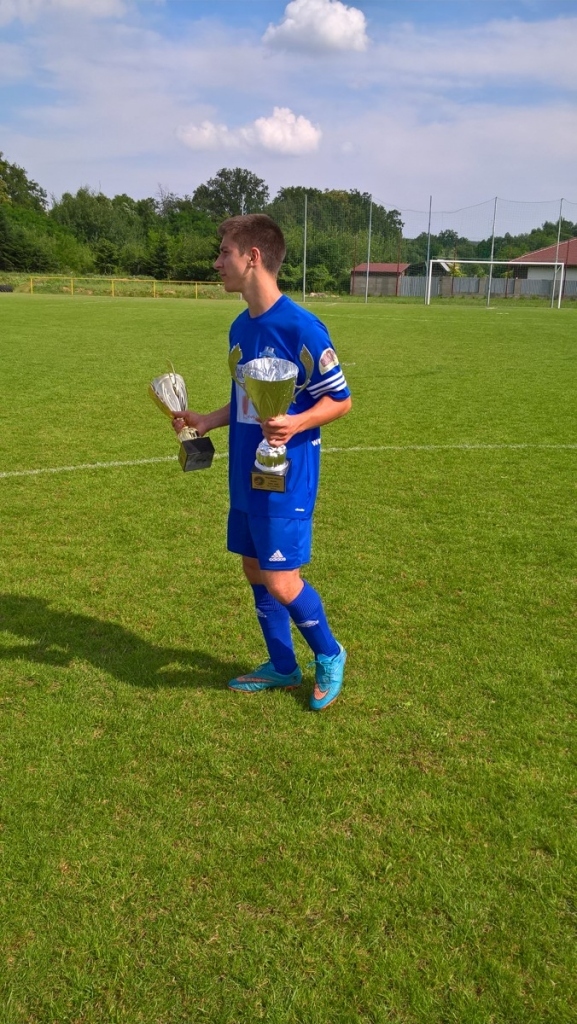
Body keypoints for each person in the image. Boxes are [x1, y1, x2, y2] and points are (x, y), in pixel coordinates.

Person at [173, 214, 352, 710]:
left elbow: (340, 400)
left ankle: (330, 653)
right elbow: (247, 400)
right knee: (254, 568)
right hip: (245, 471)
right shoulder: (239, 327)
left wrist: (295, 423)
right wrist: (207, 420)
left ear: (252, 257)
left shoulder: (301, 327)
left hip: (286, 474)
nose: (217, 263)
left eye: (224, 252)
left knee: (280, 578)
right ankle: (282, 665)